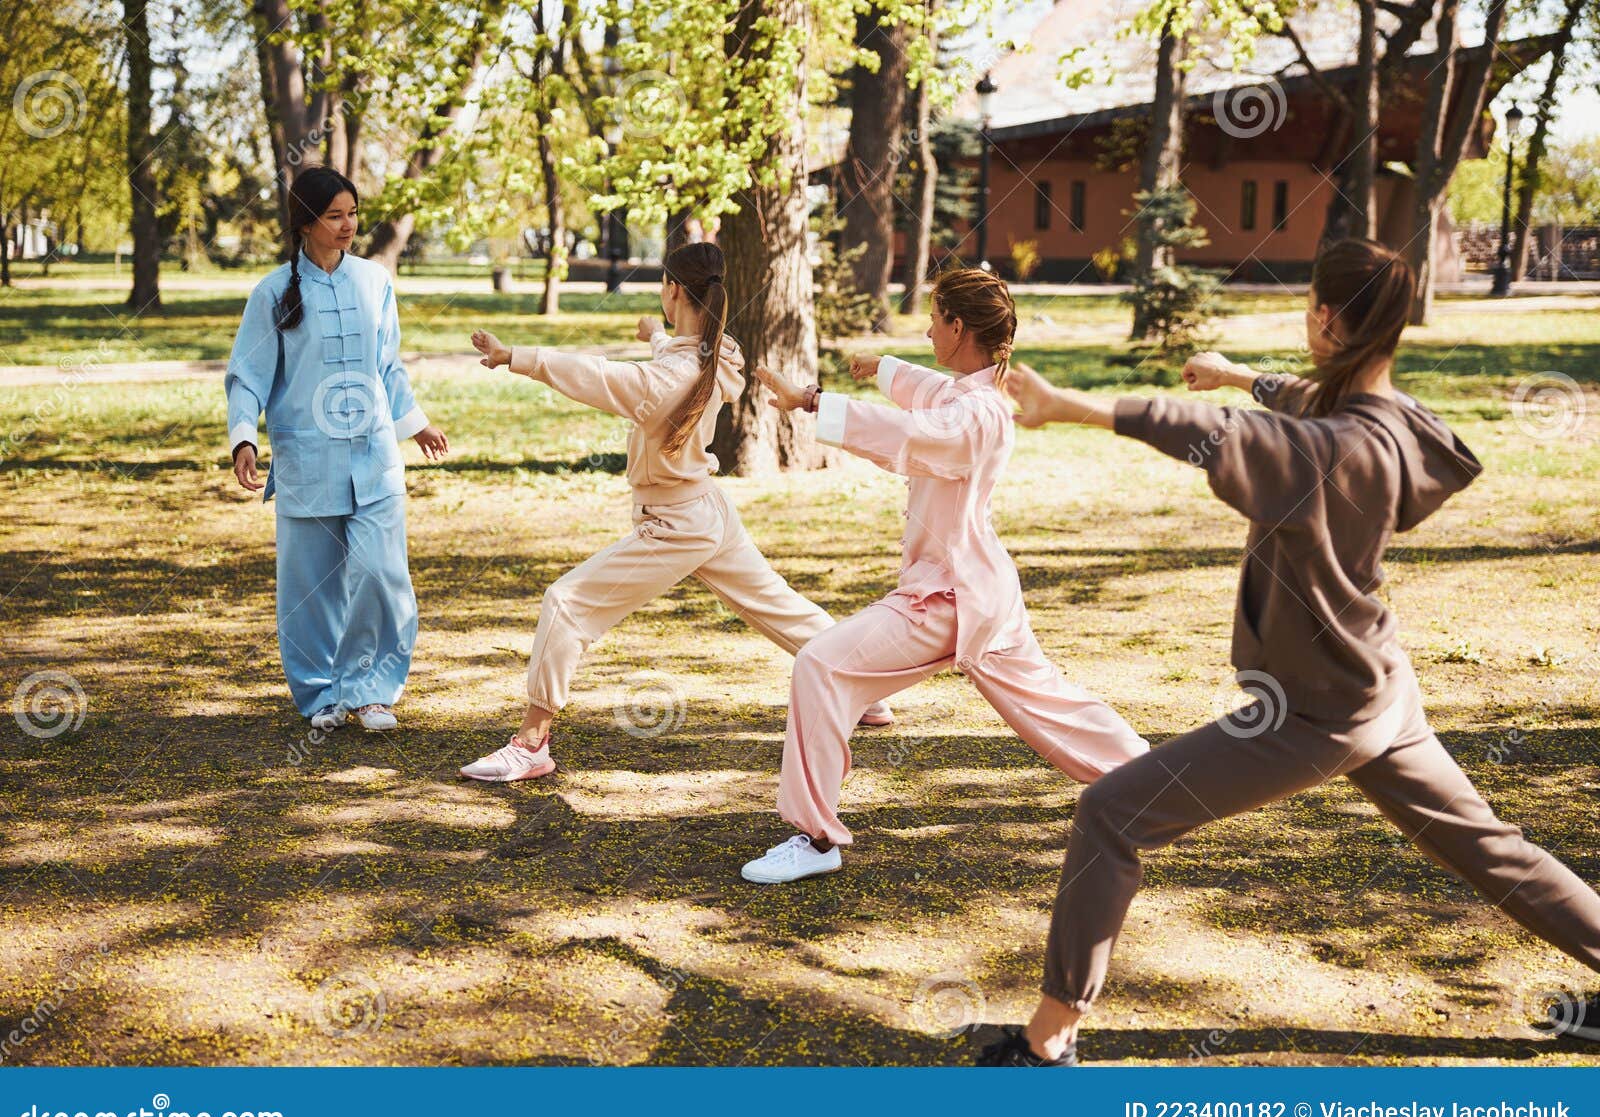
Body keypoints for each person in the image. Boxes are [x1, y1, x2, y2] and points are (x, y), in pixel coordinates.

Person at [981, 238, 1600, 1066]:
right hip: (1382, 692)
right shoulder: (1396, 425)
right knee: (1495, 849)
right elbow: (1311, 398)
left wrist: (1073, 406)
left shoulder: (1330, 452)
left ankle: (1048, 1040)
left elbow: (1219, 435)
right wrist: (1242, 373)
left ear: (1325, 317)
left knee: (1110, 813)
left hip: (1318, 711)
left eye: (1314, 302)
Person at [740, 266, 1149, 885]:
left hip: (948, 597)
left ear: (958, 328)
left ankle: (817, 837)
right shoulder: (971, 396)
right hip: (982, 593)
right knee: (1052, 703)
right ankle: (1159, 781)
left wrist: (814, 401)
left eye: (934, 318)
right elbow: (929, 396)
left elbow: (910, 433)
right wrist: (882, 368)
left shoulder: (977, 415)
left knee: (820, 664)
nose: (928, 328)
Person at [459, 242, 892, 783]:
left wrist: (516, 357)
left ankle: (530, 743)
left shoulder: (667, 379)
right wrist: (657, 336)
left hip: (676, 524)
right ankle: (867, 687)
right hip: (707, 510)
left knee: (567, 604)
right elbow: (681, 355)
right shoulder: (716, 353)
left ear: (673, 291)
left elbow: (599, 376)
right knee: (777, 606)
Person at [225, 165, 449, 733]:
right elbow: (247, 375)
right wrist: (243, 439)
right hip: (306, 461)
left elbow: (388, 365)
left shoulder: (375, 282)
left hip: (374, 458)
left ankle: (372, 689)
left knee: (381, 574)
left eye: (352, 212)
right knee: (311, 588)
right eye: (335, 215)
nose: (348, 225)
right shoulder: (272, 292)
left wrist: (414, 422)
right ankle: (322, 692)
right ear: (306, 222)